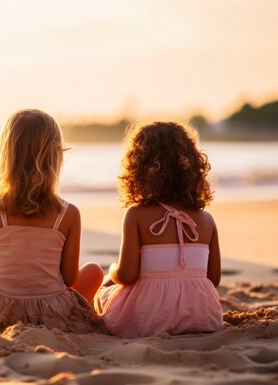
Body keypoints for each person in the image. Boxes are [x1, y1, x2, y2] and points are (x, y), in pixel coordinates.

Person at [0, 109, 105, 333]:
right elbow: (70, 279)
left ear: (5, 157)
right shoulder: (68, 214)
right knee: (94, 271)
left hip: (1, 313)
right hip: (52, 316)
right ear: (57, 158)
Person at [96, 121, 223, 338]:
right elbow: (213, 279)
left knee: (103, 293)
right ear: (192, 167)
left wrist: (112, 269)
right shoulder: (207, 220)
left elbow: (127, 275)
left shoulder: (136, 215)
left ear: (137, 168)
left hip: (150, 317)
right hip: (203, 315)